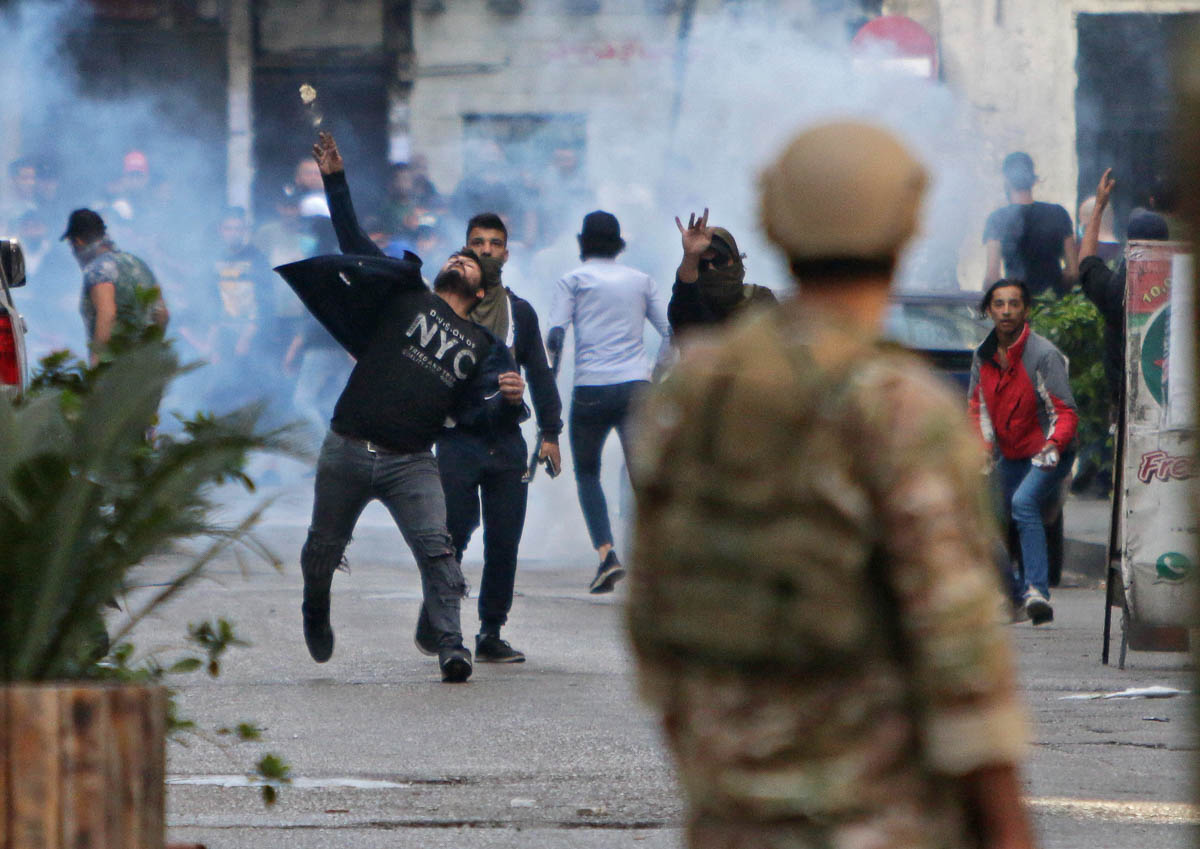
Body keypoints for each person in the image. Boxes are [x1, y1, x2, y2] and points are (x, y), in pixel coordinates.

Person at [627, 121, 1034, 849]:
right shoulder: (901, 407)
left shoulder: (684, 404)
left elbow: (657, 625)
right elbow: (962, 663)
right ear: (906, 226)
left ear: (778, 225)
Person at [282, 131, 528, 683]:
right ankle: (315, 606)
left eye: (470, 262)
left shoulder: (483, 345)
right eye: (459, 254)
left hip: (410, 461)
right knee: (322, 547)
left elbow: (480, 410)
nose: (462, 260)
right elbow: (351, 239)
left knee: (439, 552)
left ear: (481, 293)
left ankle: (450, 644)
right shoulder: (405, 292)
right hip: (346, 445)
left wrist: (510, 401)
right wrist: (335, 180)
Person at [416, 212, 563, 663]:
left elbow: (539, 372)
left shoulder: (519, 313)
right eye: (478, 241)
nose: (487, 249)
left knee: (504, 540)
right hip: (457, 439)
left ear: (507, 252)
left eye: (495, 243)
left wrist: (552, 432)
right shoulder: (439, 311)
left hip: (506, 441)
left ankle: (491, 631)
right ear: (464, 249)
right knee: (454, 534)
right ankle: (441, 624)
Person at [546, 210, 670, 593]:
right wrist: (657, 372)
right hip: (636, 385)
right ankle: (652, 556)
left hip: (591, 389)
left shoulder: (573, 280)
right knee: (640, 473)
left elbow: (554, 333)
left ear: (583, 241)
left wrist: (550, 379)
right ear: (618, 243)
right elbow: (671, 330)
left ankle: (606, 554)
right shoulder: (641, 281)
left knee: (587, 473)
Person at [969, 278, 1078, 624]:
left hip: (1049, 452)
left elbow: (1065, 412)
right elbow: (978, 408)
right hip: (1011, 456)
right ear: (989, 310)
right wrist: (985, 450)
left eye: (1013, 304)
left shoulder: (1044, 355)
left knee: (1023, 502)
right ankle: (1015, 597)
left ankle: (1037, 593)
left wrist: (1052, 446)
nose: (1006, 311)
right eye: (999, 304)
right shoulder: (982, 357)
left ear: (1025, 310)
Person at [1078, 168, 1171, 409]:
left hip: (1127, 405)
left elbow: (1086, 262)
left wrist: (1098, 207)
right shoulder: (1183, 286)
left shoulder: (1116, 289)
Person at [62, 208, 168, 366]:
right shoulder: (137, 263)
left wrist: (96, 365)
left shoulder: (98, 270)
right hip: (148, 368)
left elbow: (107, 314)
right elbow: (162, 314)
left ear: (78, 242)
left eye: (72, 246)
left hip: (116, 373)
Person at [668, 208, 777, 338]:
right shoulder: (693, 307)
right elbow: (684, 300)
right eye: (703, 264)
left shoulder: (759, 299)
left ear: (735, 259)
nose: (712, 268)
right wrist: (690, 256)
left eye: (719, 260)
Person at [984, 151, 1077, 297]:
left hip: (1017, 308)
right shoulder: (1058, 213)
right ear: (1033, 179)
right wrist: (1056, 291)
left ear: (1007, 180)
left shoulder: (997, 219)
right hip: (1055, 310)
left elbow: (992, 277)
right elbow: (1073, 273)